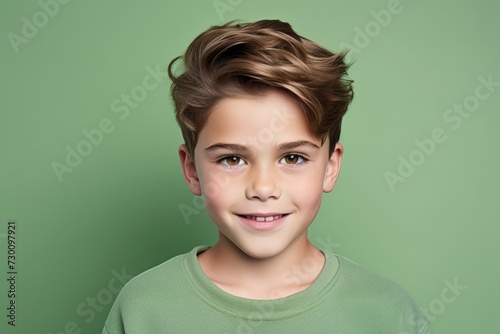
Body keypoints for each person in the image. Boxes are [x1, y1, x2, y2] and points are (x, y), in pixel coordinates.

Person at [102, 19, 431, 333]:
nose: (263, 188)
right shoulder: (143, 308)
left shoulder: (387, 313)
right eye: (232, 159)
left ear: (330, 166)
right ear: (192, 170)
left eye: (292, 157)